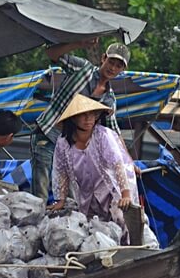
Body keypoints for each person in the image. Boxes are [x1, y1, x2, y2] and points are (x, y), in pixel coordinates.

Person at [29, 38, 130, 201]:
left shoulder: (109, 99)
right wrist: (79, 43)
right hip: (47, 134)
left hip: (69, 147)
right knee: (40, 192)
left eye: (118, 66)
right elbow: (51, 53)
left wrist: (128, 161)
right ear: (103, 58)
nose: (113, 68)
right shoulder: (82, 68)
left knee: (71, 200)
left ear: (122, 70)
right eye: (111, 62)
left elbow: (114, 132)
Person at [49, 95, 139, 241]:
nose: (88, 119)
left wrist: (125, 194)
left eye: (92, 115)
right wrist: (61, 199)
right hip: (87, 193)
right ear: (73, 118)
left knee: (122, 223)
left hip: (111, 189)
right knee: (94, 229)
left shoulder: (103, 135)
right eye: (83, 115)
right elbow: (61, 171)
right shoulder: (63, 143)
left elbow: (117, 164)